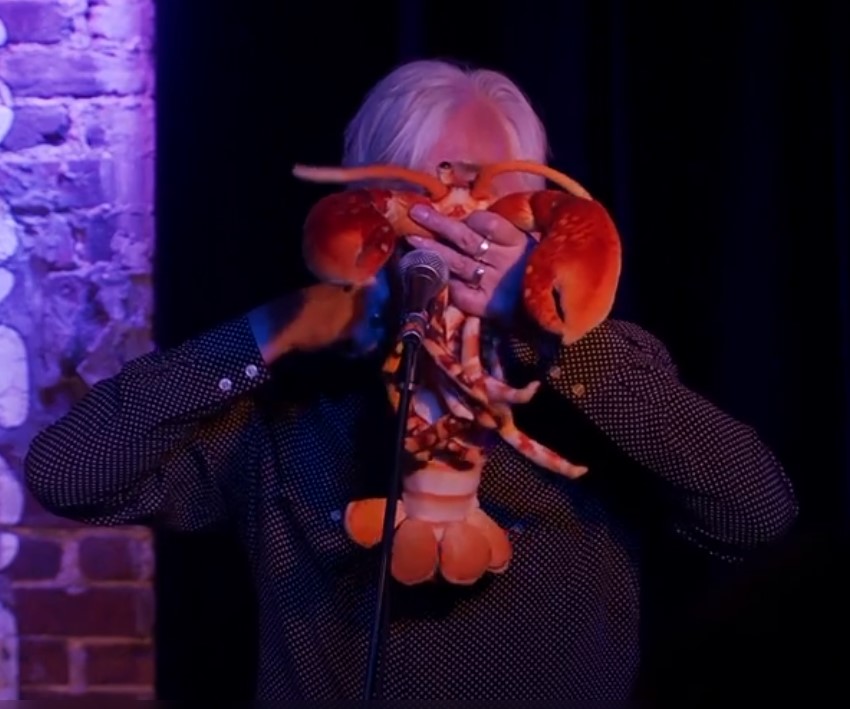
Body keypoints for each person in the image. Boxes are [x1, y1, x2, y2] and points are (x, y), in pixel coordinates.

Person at [23, 58, 799, 702]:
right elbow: (72, 471)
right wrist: (274, 328)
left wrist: (556, 343)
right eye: (426, 194)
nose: (460, 220)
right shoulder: (286, 401)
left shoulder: (599, 376)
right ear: (373, 208)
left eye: (491, 197)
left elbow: (757, 512)